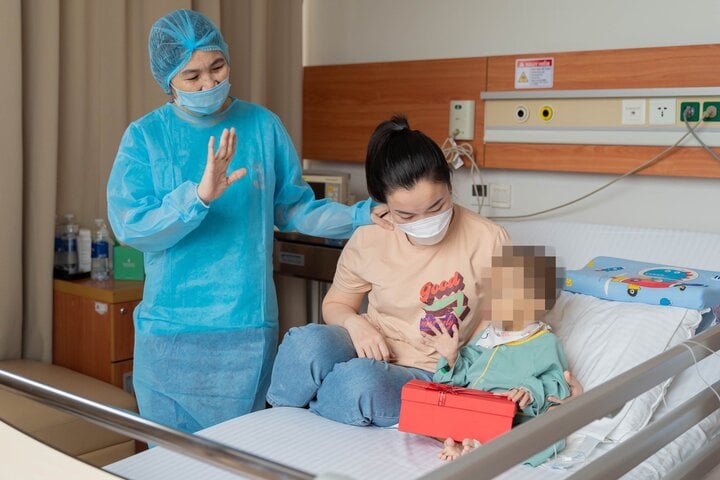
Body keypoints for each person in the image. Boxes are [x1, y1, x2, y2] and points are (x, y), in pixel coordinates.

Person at [106, 9, 388, 433]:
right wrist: (198, 197)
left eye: (217, 67)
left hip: (247, 329)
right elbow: (132, 227)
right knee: (172, 465)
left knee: (242, 457)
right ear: (168, 81)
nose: (209, 83)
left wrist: (361, 215)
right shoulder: (146, 137)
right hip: (172, 337)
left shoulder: (261, 127)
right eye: (192, 76)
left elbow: (294, 208)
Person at [266, 114, 516, 426]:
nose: (424, 221)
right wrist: (356, 324)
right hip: (370, 345)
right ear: (383, 203)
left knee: (358, 383)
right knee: (304, 344)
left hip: (434, 367)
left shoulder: (490, 238)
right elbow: (336, 304)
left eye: (437, 207)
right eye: (406, 215)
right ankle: (271, 424)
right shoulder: (371, 236)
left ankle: (318, 407)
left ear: (450, 186)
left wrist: (459, 360)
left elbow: (513, 328)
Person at [423, 245, 570, 466]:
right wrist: (452, 357)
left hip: (511, 417)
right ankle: (465, 441)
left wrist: (528, 391)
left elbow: (556, 384)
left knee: (546, 442)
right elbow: (456, 380)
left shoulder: (544, 342)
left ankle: (473, 445)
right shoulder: (487, 335)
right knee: (427, 418)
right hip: (470, 409)